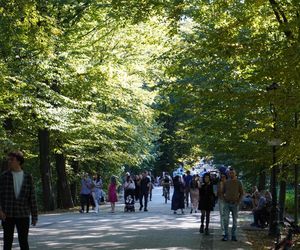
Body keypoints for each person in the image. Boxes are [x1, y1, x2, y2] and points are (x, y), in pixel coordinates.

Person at [0, 151, 38, 250]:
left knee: (23, 241)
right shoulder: (4, 176)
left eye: (12, 159)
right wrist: (0, 211)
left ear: (19, 161)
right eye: (9, 159)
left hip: (23, 214)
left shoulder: (28, 176)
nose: (9, 161)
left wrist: (34, 215)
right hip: (7, 214)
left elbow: (32, 197)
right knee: (7, 241)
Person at [222, 168, 244, 242]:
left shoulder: (239, 182)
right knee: (225, 220)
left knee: (235, 221)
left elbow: (242, 193)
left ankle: (233, 235)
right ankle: (226, 235)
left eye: (232, 173)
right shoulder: (226, 182)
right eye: (230, 173)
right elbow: (222, 192)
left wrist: (238, 202)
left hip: (235, 204)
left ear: (235, 174)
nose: (231, 174)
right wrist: (224, 199)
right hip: (227, 204)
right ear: (229, 174)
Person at [217, 172, 227, 237]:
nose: (222, 178)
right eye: (221, 177)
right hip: (221, 200)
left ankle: (226, 229)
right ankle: (223, 230)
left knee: (226, 216)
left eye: (224, 177)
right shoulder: (219, 184)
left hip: (227, 201)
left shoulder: (228, 183)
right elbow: (218, 193)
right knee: (222, 215)